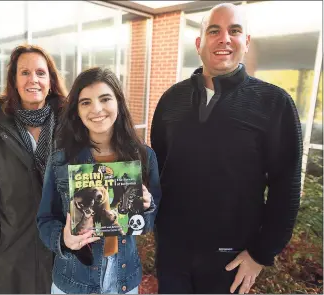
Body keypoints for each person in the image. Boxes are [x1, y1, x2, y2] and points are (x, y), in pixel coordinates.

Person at [151, 3, 302, 294]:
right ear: (199, 43)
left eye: (234, 31)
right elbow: (159, 171)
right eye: (214, 31)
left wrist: (260, 254)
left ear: (246, 42)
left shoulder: (274, 103)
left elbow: (287, 187)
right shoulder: (171, 100)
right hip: (173, 258)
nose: (224, 39)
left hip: (231, 261)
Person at [36, 67, 161, 294]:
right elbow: (44, 220)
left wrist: (147, 205)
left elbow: (149, 222)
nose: (96, 109)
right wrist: (63, 240)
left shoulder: (143, 156)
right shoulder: (61, 159)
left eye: (105, 99)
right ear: (77, 110)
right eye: (85, 102)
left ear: (118, 103)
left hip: (124, 277)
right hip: (73, 279)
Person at [0, 45, 68, 293]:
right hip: (12, 253)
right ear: (14, 80)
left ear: (51, 82)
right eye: (24, 72)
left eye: (41, 73)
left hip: (62, 248)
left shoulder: (69, 124)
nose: (33, 79)